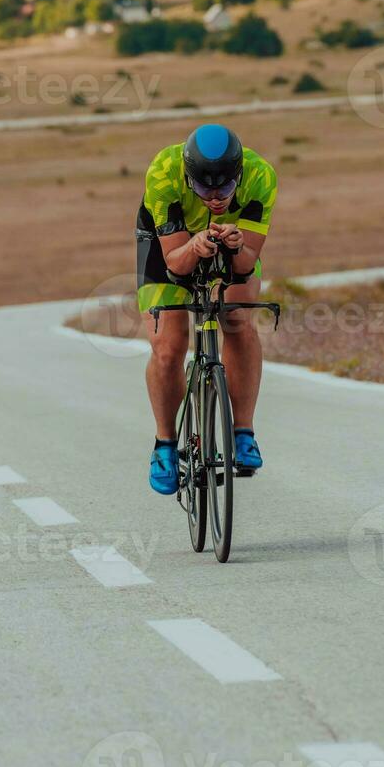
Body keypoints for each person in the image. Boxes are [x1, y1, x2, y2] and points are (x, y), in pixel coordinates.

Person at [135, 124, 277, 494]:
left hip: (232, 246)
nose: (214, 198)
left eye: (225, 188)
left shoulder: (260, 175)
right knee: (168, 344)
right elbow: (175, 265)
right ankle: (165, 445)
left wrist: (234, 244)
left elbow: (245, 266)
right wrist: (195, 247)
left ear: (239, 175)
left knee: (237, 317)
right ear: (188, 176)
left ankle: (243, 433)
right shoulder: (164, 171)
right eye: (202, 189)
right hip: (168, 247)